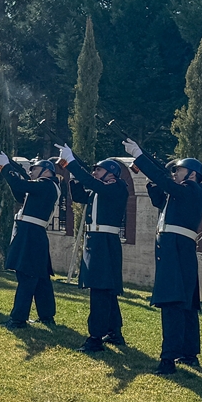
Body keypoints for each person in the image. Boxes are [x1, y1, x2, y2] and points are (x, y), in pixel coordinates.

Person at [125, 139, 202, 374]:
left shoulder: (192, 190)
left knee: (173, 302)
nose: (175, 174)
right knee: (185, 304)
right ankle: (188, 353)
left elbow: (167, 186)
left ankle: (168, 359)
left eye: (178, 170)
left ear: (192, 174)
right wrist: (152, 180)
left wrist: (140, 157)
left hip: (176, 249)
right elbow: (159, 200)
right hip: (179, 250)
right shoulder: (181, 194)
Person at [59, 144, 129, 352]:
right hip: (96, 241)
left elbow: (93, 184)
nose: (94, 173)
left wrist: (73, 164)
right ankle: (114, 331)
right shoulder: (100, 191)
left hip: (105, 242)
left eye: (98, 169)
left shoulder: (116, 187)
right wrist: (74, 176)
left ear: (111, 173)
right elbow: (80, 196)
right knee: (105, 289)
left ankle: (95, 338)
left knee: (100, 289)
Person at [0, 155, 60, 328]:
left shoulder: (46, 185)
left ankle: (18, 318)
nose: (31, 171)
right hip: (32, 233)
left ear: (47, 171)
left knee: (26, 275)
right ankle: (47, 315)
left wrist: (6, 168)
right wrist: (9, 173)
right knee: (40, 277)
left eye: (35, 169)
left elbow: (21, 185)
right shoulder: (44, 187)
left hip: (32, 234)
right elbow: (19, 192)